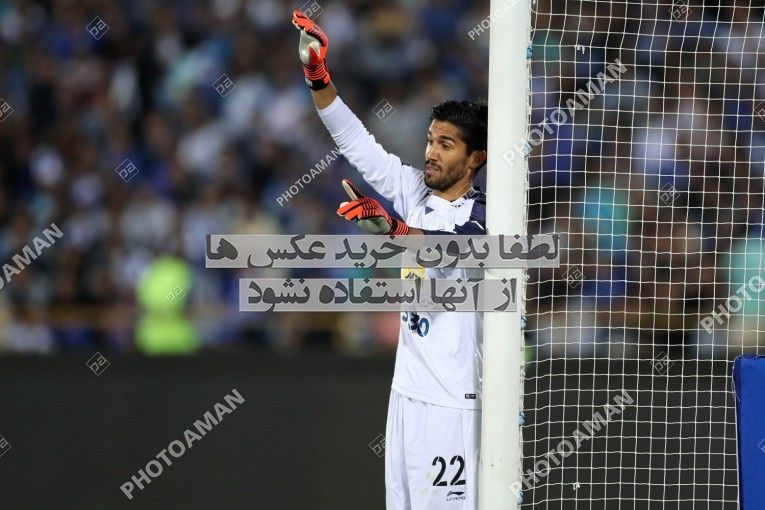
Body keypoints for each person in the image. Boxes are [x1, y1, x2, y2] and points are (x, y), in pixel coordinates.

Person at [292, 10, 488, 509]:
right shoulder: (416, 191)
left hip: (452, 402)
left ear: (475, 159)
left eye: (446, 144)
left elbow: (448, 249)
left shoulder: (484, 216)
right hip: (406, 394)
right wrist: (318, 76)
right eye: (430, 140)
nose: (431, 152)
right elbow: (357, 143)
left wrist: (394, 230)